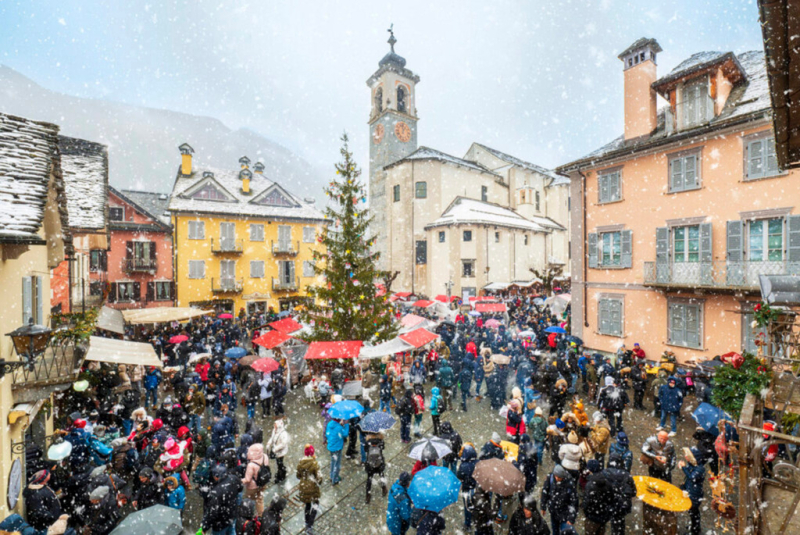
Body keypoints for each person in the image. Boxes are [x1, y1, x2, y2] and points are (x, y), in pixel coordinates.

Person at [202, 465, 242, 535]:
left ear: (216, 477)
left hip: (220, 523)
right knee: (232, 531)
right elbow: (240, 488)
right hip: (232, 514)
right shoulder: (233, 478)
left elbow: (212, 513)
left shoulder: (216, 492)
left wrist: (205, 527)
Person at [540, 464, 578, 535]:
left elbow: (574, 502)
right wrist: (543, 506)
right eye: (556, 476)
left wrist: (571, 518)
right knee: (555, 531)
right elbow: (545, 492)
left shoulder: (570, 484)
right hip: (553, 512)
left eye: (559, 477)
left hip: (565, 514)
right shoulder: (550, 478)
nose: (557, 478)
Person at [605, 453, 636, 535]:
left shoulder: (605, 473)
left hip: (610, 502)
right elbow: (633, 491)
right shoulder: (626, 474)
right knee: (619, 523)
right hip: (622, 504)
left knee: (613, 521)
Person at [680, 447, 706, 535]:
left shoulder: (700, 469)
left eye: (687, 456)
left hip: (695, 494)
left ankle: (695, 531)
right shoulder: (692, 464)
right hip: (690, 490)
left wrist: (683, 468)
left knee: (694, 511)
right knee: (692, 512)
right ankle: (694, 526)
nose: (685, 457)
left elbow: (692, 477)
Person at [297, 444, 322, 534]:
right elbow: (319, 478)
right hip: (313, 488)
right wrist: (318, 482)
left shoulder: (300, 463)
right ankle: (310, 525)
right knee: (316, 504)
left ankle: (307, 522)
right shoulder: (314, 463)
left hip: (304, 487)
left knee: (307, 505)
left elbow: (298, 475)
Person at [582, 464, 613, 535]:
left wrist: (587, 513)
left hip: (592, 518)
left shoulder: (589, 485)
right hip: (603, 517)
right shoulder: (607, 483)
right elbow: (611, 499)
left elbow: (586, 502)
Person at [242, 442, 269, 516]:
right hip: (262, 483)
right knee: (260, 499)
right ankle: (260, 515)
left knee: (248, 499)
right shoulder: (265, 456)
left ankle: (248, 513)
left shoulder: (251, 465)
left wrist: (240, 480)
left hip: (252, 487)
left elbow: (247, 479)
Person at [364, 432, 386, 504]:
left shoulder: (368, 441)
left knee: (369, 478)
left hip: (370, 464)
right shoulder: (380, 440)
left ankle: (368, 495)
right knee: (381, 475)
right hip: (379, 463)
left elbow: (365, 449)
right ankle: (384, 488)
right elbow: (383, 448)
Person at [265, 416, 289, 484]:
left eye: (275, 425)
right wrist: (269, 443)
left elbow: (283, 444)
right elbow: (272, 438)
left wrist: (275, 449)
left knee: (279, 462)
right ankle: (281, 472)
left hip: (281, 452)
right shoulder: (274, 430)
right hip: (275, 450)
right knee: (278, 462)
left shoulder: (283, 434)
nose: (274, 426)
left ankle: (281, 474)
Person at [325, 418, 348, 485]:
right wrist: (346, 425)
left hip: (331, 446)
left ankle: (331, 476)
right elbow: (345, 434)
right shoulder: (339, 427)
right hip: (337, 448)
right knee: (337, 464)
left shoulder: (329, 424)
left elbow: (327, 434)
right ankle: (335, 479)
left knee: (333, 462)